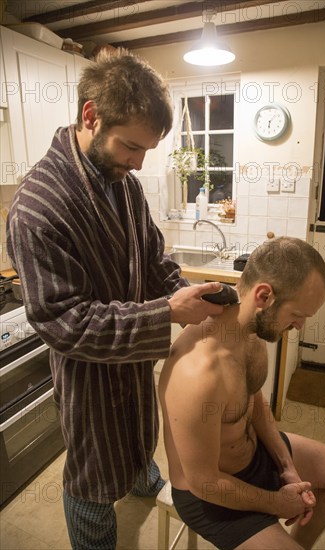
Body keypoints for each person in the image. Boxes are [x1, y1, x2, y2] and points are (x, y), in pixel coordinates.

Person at [6, 48, 224, 549]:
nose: (139, 161)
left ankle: (142, 476)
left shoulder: (122, 181)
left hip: (130, 360)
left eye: (147, 150)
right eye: (131, 146)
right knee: (92, 476)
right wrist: (167, 311)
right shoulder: (38, 207)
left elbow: (151, 253)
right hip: (87, 376)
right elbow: (64, 322)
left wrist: (180, 290)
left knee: (137, 433)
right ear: (90, 115)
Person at [159, 237, 325, 550]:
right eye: (299, 314)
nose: (301, 325)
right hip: (211, 495)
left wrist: (287, 466)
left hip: (254, 457)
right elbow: (204, 482)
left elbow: (253, 403)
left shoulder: (252, 336)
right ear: (264, 295)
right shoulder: (198, 373)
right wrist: (277, 504)